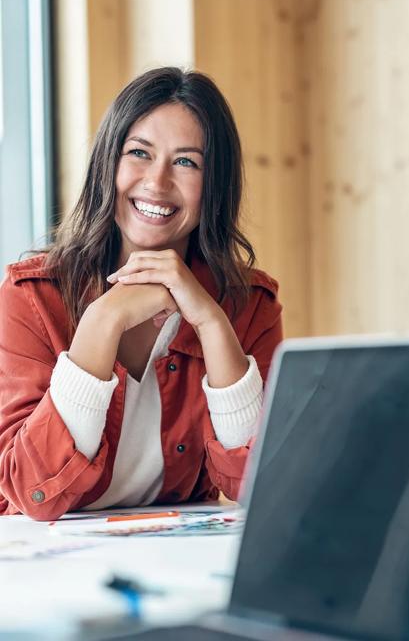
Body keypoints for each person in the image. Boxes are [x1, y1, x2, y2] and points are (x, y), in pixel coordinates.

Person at [0, 67, 283, 520]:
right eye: (139, 153)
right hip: (44, 565)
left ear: (214, 185)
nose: (156, 182)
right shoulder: (31, 296)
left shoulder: (249, 305)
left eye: (186, 162)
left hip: (171, 562)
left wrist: (212, 323)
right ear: (107, 163)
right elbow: (35, 492)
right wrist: (102, 321)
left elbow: (261, 484)